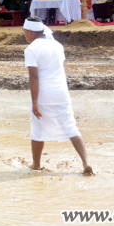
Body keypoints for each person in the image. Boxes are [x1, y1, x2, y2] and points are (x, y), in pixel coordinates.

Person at [23, 16, 93, 175]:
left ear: (29, 31)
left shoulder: (31, 49)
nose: (24, 35)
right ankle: (86, 162)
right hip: (61, 91)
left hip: (44, 92)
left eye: (24, 32)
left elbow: (34, 77)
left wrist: (35, 102)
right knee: (70, 126)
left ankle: (36, 165)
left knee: (38, 129)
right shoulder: (57, 45)